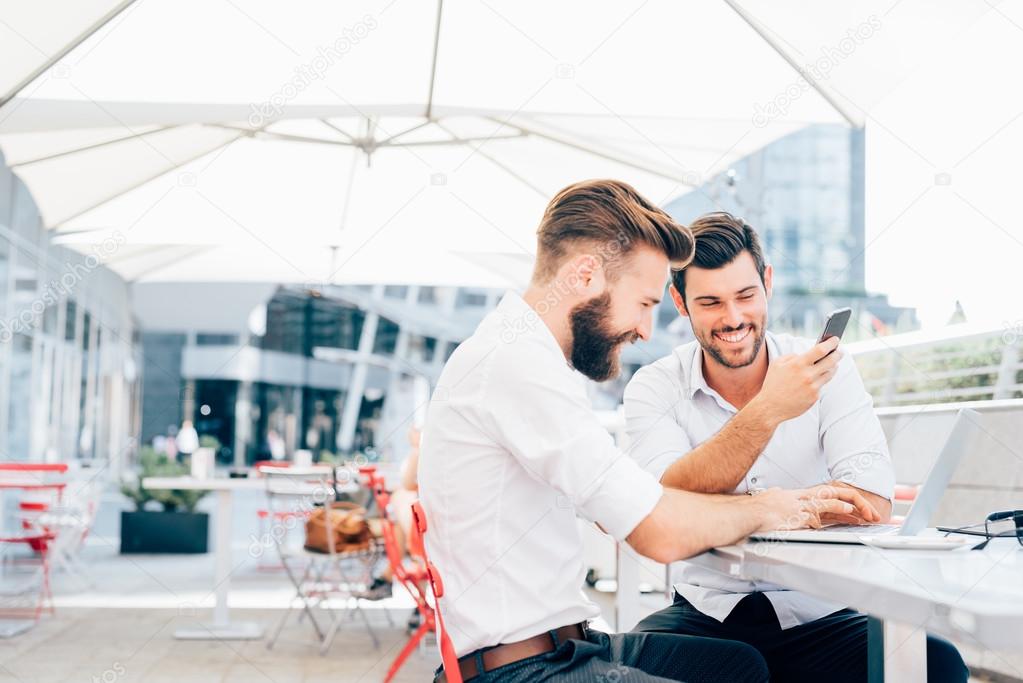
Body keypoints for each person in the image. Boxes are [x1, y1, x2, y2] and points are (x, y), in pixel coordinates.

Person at [418, 180, 876, 683]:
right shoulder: (515, 365)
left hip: (563, 647)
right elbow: (658, 531)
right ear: (586, 274)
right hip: (520, 670)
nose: (645, 331)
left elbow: (643, 498)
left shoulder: (523, 357)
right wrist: (772, 507)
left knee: (736, 666)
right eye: (642, 304)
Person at [623, 212, 968, 682]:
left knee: (937, 664)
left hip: (819, 615)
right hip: (708, 610)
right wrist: (769, 410)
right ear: (680, 302)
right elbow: (663, 503)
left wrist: (774, 507)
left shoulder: (827, 369)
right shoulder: (655, 387)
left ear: (767, 281)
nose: (733, 318)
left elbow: (870, 499)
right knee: (638, 667)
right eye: (710, 302)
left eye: (746, 295)